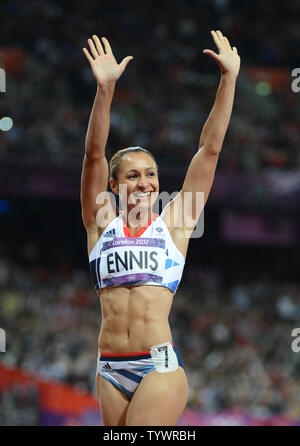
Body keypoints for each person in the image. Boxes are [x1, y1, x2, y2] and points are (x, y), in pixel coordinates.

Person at [81, 31, 240, 426]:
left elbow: (209, 151)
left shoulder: (176, 222)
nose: (145, 182)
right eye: (133, 175)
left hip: (158, 366)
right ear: (114, 186)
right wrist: (105, 90)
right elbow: (93, 155)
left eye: (151, 174)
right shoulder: (100, 221)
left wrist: (228, 80)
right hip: (109, 369)